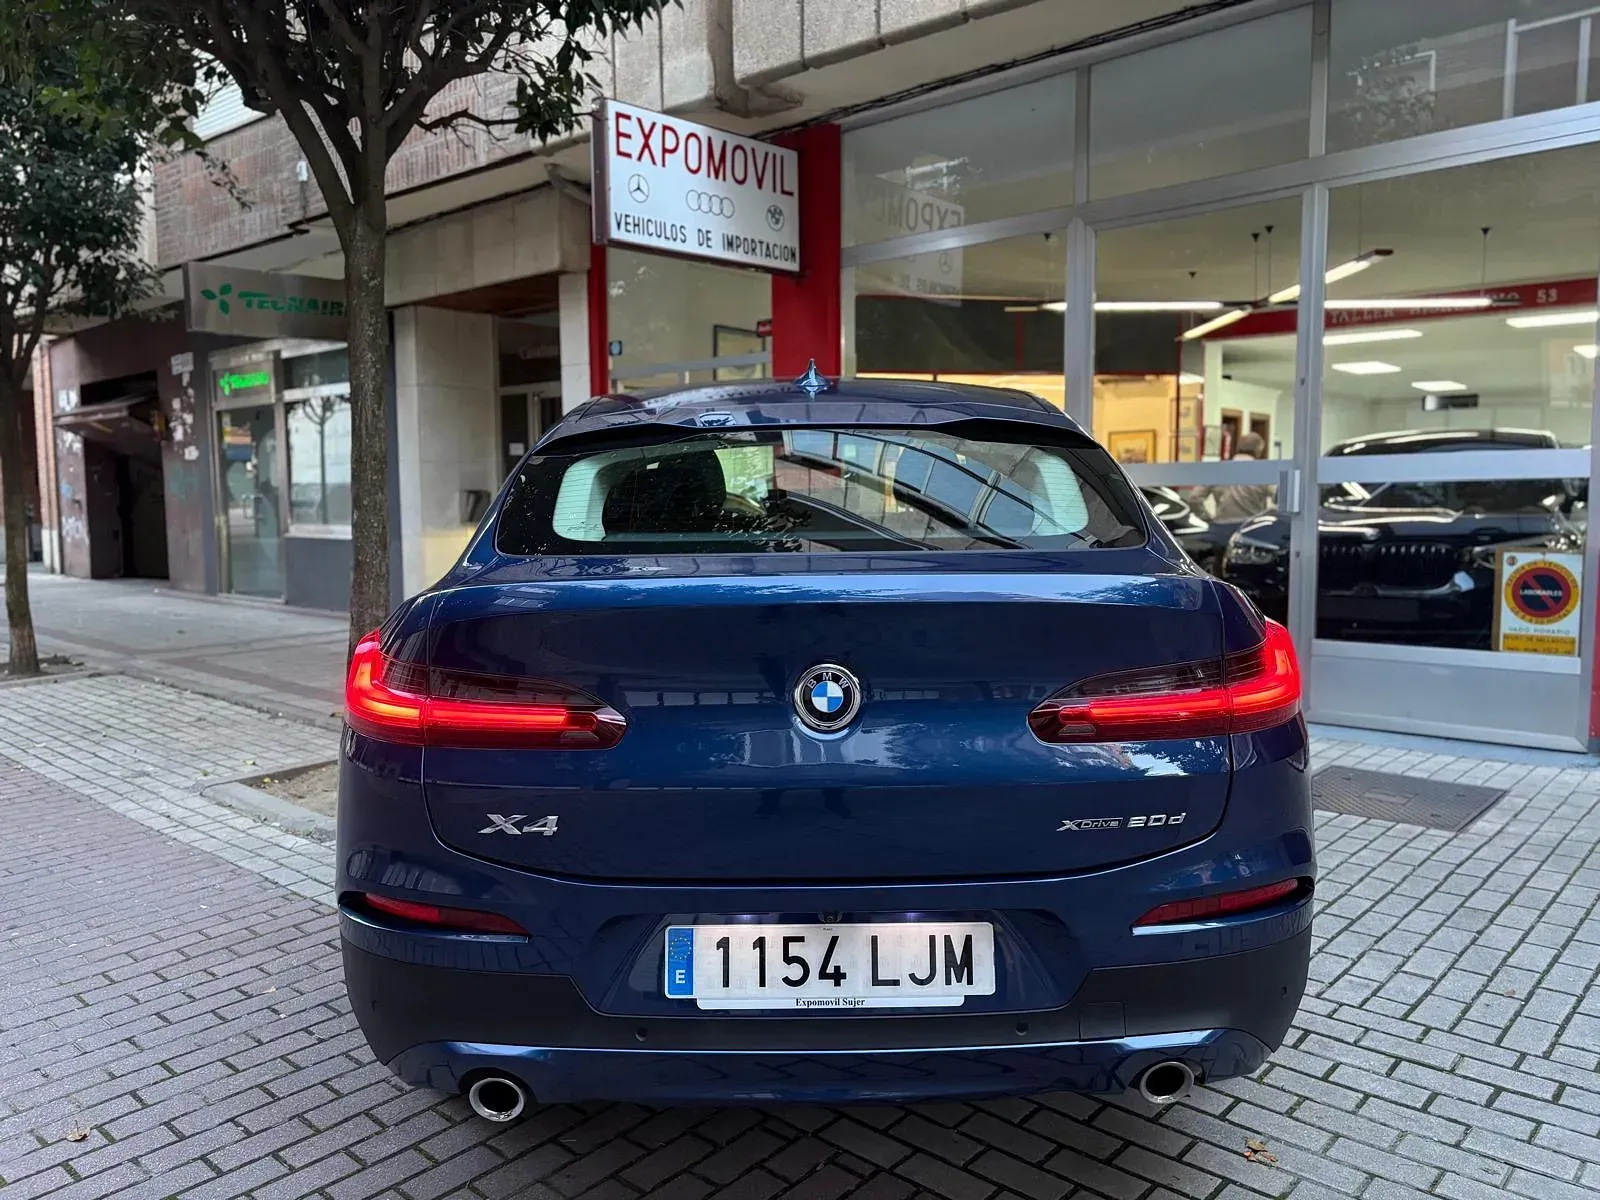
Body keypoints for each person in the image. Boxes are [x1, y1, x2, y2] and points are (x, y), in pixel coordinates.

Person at [1203, 431, 1275, 521]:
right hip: (1251, 527)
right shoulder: (1263, 472)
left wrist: (1206, 519)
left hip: (1222, 526)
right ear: (1258, 451)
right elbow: (1279, 498)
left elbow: (1195, 498)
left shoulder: (1217, 470)